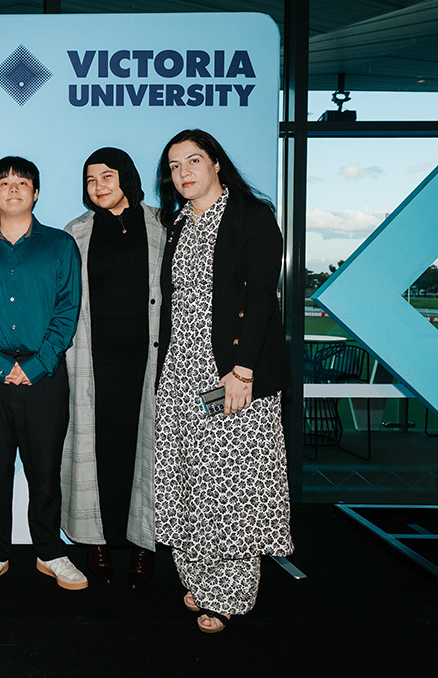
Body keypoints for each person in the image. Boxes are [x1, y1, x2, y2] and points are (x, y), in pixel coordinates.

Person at [153, 129, 293, 634]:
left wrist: (242, 371)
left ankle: (229, 593)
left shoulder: (251, 216)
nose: (183, 172)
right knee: (188, 477)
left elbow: (261, 298)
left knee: (230, 482)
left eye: (193, 160)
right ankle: (199, 577)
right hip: (181, 375)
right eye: (174, 166)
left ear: (216, 163)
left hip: (229, 375)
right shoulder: (178, 224)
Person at [0, 155, 87, 592]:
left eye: (22, 182)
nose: (13, 188)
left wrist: (34, 365)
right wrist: (0, 365)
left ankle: (50, 552)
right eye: (4, 182)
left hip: (44, 374)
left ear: (35, 193)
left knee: (45, 470)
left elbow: (67, 311)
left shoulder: (60, 245)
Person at [61, 147, 165, 587]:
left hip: (150, 361)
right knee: (96, 451)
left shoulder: (164, 224)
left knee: (149, 451)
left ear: (126, 177)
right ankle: (97, 542)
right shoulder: (76, 233)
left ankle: (144, 546)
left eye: (107, 176)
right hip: (93, 362)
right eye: (90, 179)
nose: (98, 186)